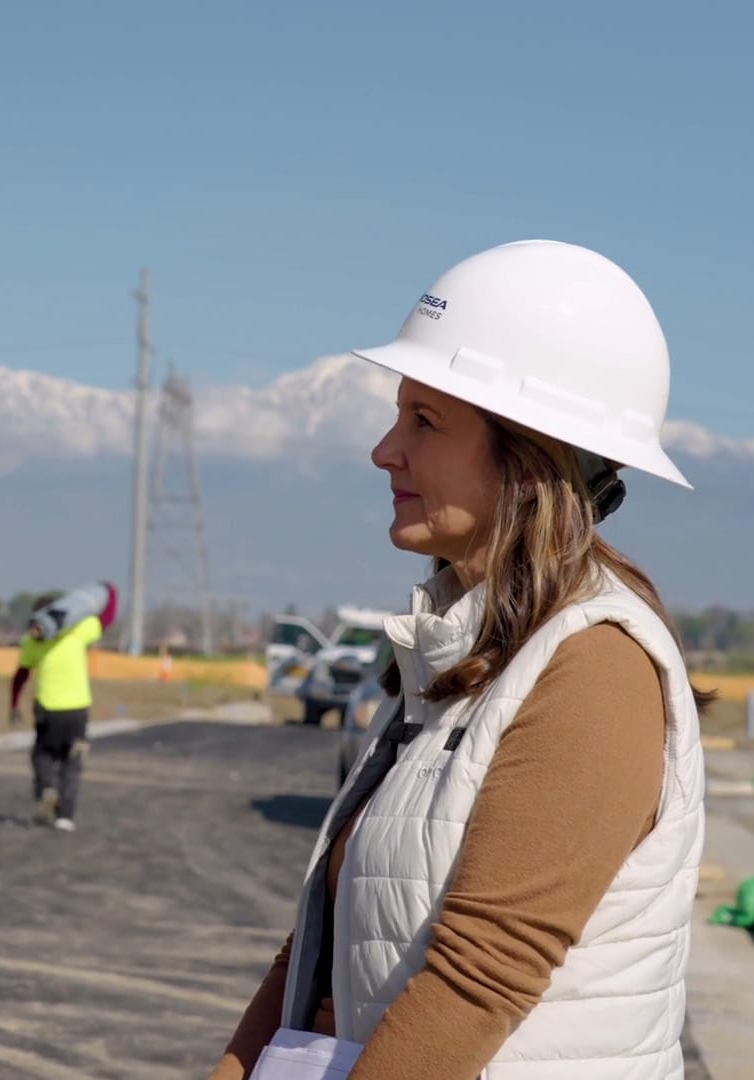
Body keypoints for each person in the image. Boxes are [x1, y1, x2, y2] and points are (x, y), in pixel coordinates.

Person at [211, 240, 711, 1080]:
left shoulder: (594, 671)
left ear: (529, 457)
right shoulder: (453, 659)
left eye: (425, 421)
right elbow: (321, 949)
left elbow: (478, 980)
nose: (384, 450)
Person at [10, 583, 118, 831]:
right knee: (72, 760)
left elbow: (21, 675)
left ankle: (47, 787)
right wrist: (110, 591)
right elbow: (108, 617)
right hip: (77, 709)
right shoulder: (78, 630)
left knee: (42, 754)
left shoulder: (32, 641)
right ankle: (65, 816)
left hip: (48, 709)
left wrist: (14, 703)